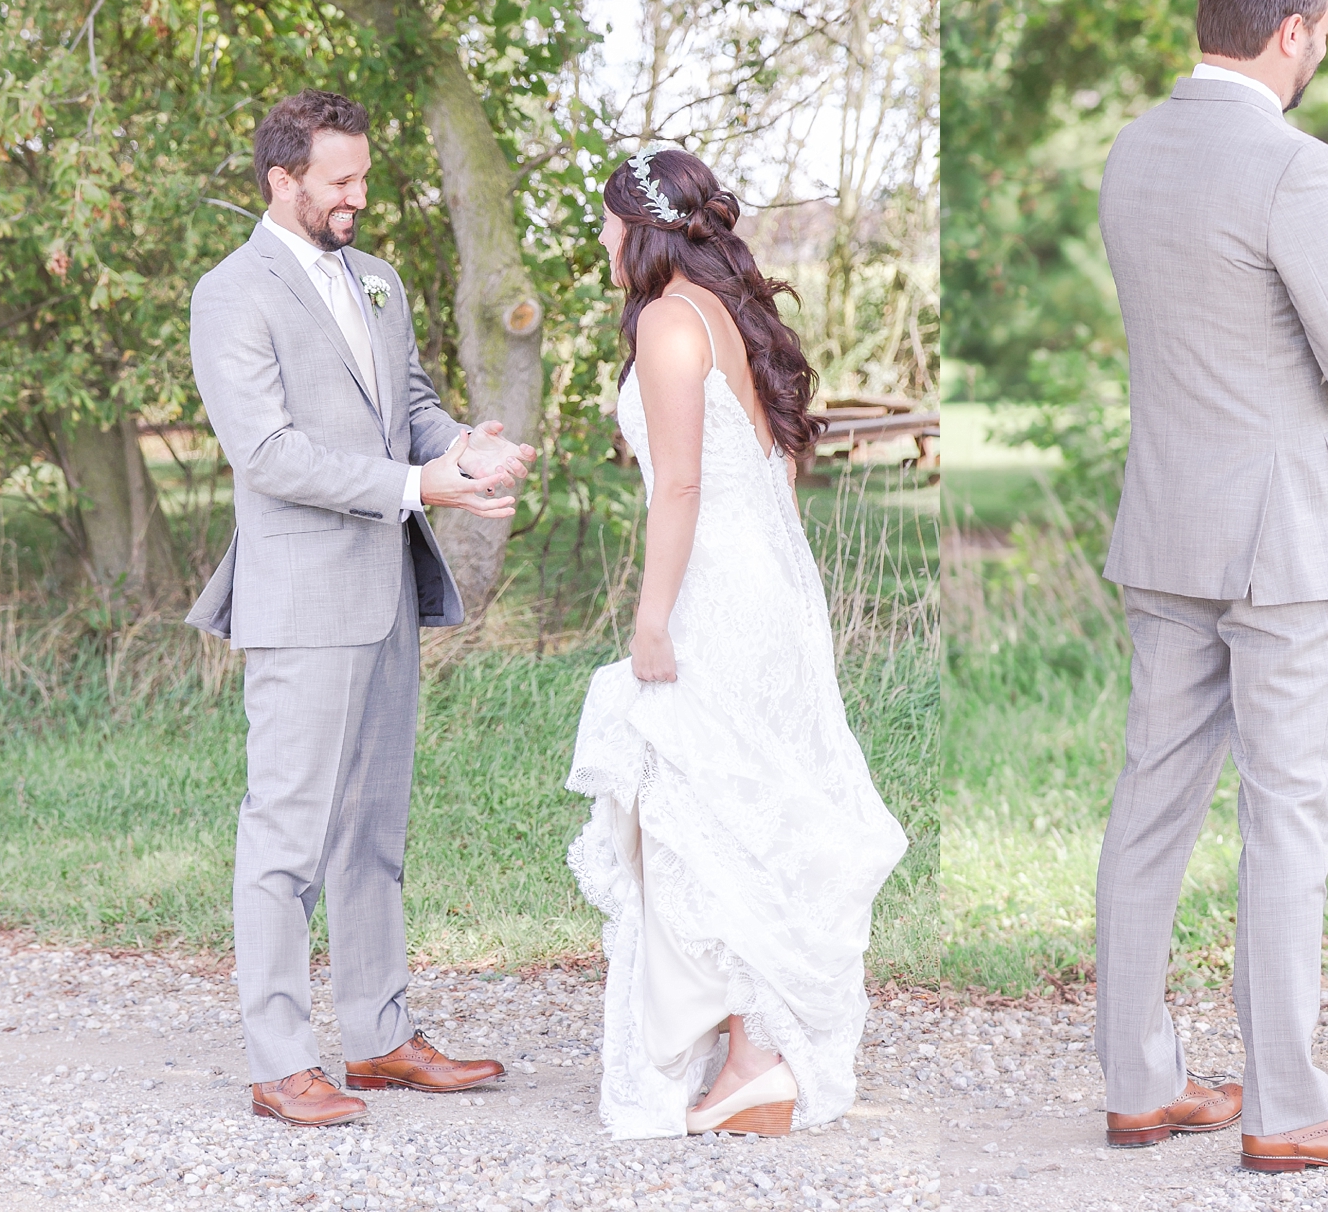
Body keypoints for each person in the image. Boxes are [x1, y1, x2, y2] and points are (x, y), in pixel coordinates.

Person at [1093, 0, 1328, 1175]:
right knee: (1285, 818)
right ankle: (1287, 1110)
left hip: (1164, 528)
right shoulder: (1297, 169)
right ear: (1288, 31)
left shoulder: (1129, 154)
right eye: (1323, 36)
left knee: (1148, 807)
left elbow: (1215, 335)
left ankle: (1138, 1083)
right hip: (1280, 546)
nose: (1321, 58)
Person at [188, 89, 536, 1127]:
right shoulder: (229, 293)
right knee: (286, 834)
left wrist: (458, 447)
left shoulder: (378, 281)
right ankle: (278, 1059)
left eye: (364, 178)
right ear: (281, 180)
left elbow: (411, 406)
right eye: (338, 181)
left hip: (386, 591)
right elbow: (269, 454)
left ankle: (379, 1038)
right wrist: (418, 490)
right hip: (299, 598)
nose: (357, 197)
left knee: (373, 830)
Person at [565, 147, 908, 1140]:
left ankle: (755, 1059)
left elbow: (679, 486)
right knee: (739, 805)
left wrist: (650, 615)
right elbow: (776, 468)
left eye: (605, 222)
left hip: (719, 592)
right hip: (766, 587)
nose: (599, 238)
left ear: (642, 229)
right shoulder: (729, 316)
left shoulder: (672, 322)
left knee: (703, 808)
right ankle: (755, 1055)